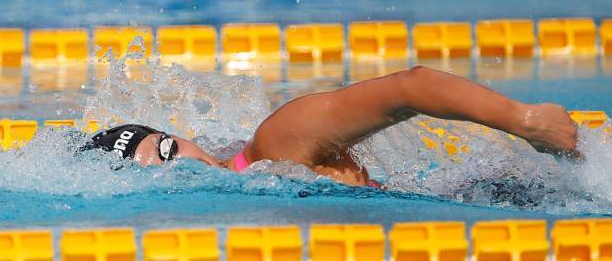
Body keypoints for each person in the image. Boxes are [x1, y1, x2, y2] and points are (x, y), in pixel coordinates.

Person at [85, 66, 579, 187]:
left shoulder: (275, 143)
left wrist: (524, 120)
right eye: (161, 166)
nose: (184, 163)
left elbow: (411, 87)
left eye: (170, 148)